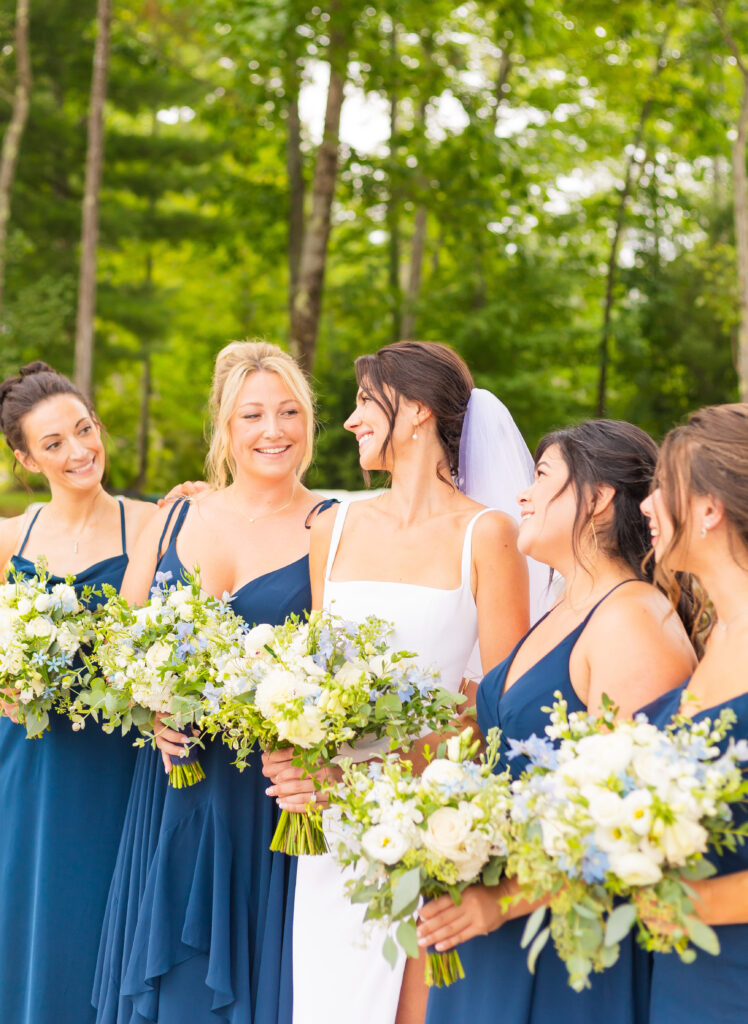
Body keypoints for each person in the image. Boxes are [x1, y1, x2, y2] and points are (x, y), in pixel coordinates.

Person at [263, 340, 533, 1024]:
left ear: (413, 410)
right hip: (329, 829)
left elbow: (502, 713)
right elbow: (313, 685)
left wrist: (386, 772)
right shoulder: (335, 525)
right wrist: (290, 750)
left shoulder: (488, 534)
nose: (351, 420)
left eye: (363, 401)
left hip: (425, 824)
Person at [418, 419, 697, 1024]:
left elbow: (628, 819)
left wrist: (503, 902)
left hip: (564, 934)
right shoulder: (563, 609)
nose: (522, 494)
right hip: (494, 915)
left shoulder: (631, 620)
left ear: (597, 500)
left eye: (541, 477)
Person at [93, 340, 335, 1024]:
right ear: (225, 429)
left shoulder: (331, 526)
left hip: (266, 792)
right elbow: (121, 645)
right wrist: (150, 711)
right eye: (253, 415)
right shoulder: (172, 517)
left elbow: (336, 658)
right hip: (172, 787)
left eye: (290, 412)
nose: (274, 430)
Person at [0, 361, 156, 1024]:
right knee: (26, 927)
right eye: (54, 443)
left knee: (100, 930)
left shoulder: (152, 525)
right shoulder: (9, 537)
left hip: (117, 770)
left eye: (83, 429)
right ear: (26, 460)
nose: (79, 451)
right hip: (28, 768)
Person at [637, 403, 748, 1024]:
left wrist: (694, 902)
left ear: (709, 508)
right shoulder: (714, 638)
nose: (647, 505)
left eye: (662, 487)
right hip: (683, 975)